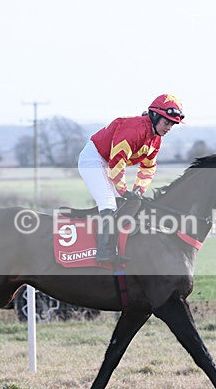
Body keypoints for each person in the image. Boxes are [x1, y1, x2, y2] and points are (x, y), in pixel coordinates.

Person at [77, 94, 184, 263]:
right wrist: (124, 190)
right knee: (109, 203)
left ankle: (119, 244)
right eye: (167, 122)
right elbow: (117, 162)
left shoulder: (156, 139)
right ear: (155, 116)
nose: (169, 127)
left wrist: (138, 190)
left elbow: (148, 167)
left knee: (129, 203)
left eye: (172, 123)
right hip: (94, 159)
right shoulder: (134, 130)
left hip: (109, 162)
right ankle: (104, 251)